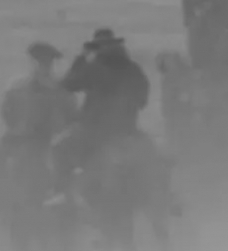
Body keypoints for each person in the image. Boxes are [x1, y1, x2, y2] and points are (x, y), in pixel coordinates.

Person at [51, 28, 152, 189]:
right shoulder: (134, 69)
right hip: (126, 130)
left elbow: (68, 84)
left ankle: (62, 191)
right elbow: (143, 101)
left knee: (58, 149)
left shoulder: (94, 67)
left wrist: (81, 58)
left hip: (94, 131)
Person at [0, 42, 77, 184]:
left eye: (46, 62)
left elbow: (71, 117)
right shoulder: (18, 86)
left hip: (46, 139)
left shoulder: (60, 90)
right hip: (21, 136)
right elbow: (7, 111)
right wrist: (16, 128)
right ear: (33, 62)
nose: (43, 66)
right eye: (40, 62)